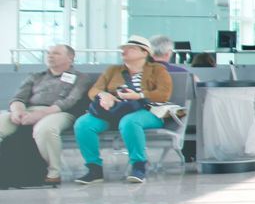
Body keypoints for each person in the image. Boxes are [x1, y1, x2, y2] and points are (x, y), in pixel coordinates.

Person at [73, 36, 173, 185]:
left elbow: (164, 94)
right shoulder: (113, 70)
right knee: (83, 124)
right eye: (123, 49)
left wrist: (138, 95)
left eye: (130, 48)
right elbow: (94, 90)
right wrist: (104, 95)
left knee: (129, 122)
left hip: (147, 111)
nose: (124, 51)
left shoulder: (157, 70)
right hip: (115, 111)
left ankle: (139, 165)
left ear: (145, 52)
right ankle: (94, 169)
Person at [2, 44, 88, 186]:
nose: (50, 56)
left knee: (45, 129)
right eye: (49, 53)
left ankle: (53, 173)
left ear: (70, 58)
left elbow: (69, 101)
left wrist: (40, 114)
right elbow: (18, 97)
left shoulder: (80, 77)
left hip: (59, 112)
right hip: (28, 109)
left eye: (56, 53)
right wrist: (17, 110)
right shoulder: (35, 76)